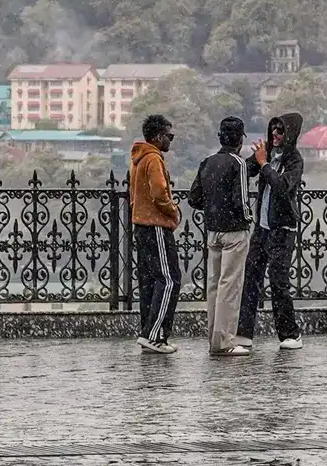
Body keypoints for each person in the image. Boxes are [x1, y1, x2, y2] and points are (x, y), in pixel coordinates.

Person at [237, 112, 305, 351]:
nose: (275, 135)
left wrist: (265, 164)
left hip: (282, 229)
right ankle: (244, 333)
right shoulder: (267, 152)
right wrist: (255, 159)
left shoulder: (294, 160)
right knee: (250, 278)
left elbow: (282, 187)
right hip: (262, 228)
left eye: (280, 131)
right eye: (273, 129)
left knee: (278, 282)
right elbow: (246, 170)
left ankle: (290, 333)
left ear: (290, 134)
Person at [188, 116, 252, 357]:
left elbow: (194, 198)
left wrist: (213, 205)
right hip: (234, 231)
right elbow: (242, 201)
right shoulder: (238, 163)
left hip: (212, 230)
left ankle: (213, 338)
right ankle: (224, 340)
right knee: (230, 286)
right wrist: (248, 218)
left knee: (213, 285)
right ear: (239, 140)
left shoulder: (207, 162)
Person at [130, 114, 183, 354]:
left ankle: (149, 333)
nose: (171, 140)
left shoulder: (139, 157)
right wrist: (173, 211)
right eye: (169, 136)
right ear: (158, 136)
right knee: (170, 279)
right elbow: (160, 192)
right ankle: (155, 335)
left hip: (141, 224)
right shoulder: (153, 158)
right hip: (156, 225)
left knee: (150, 282)